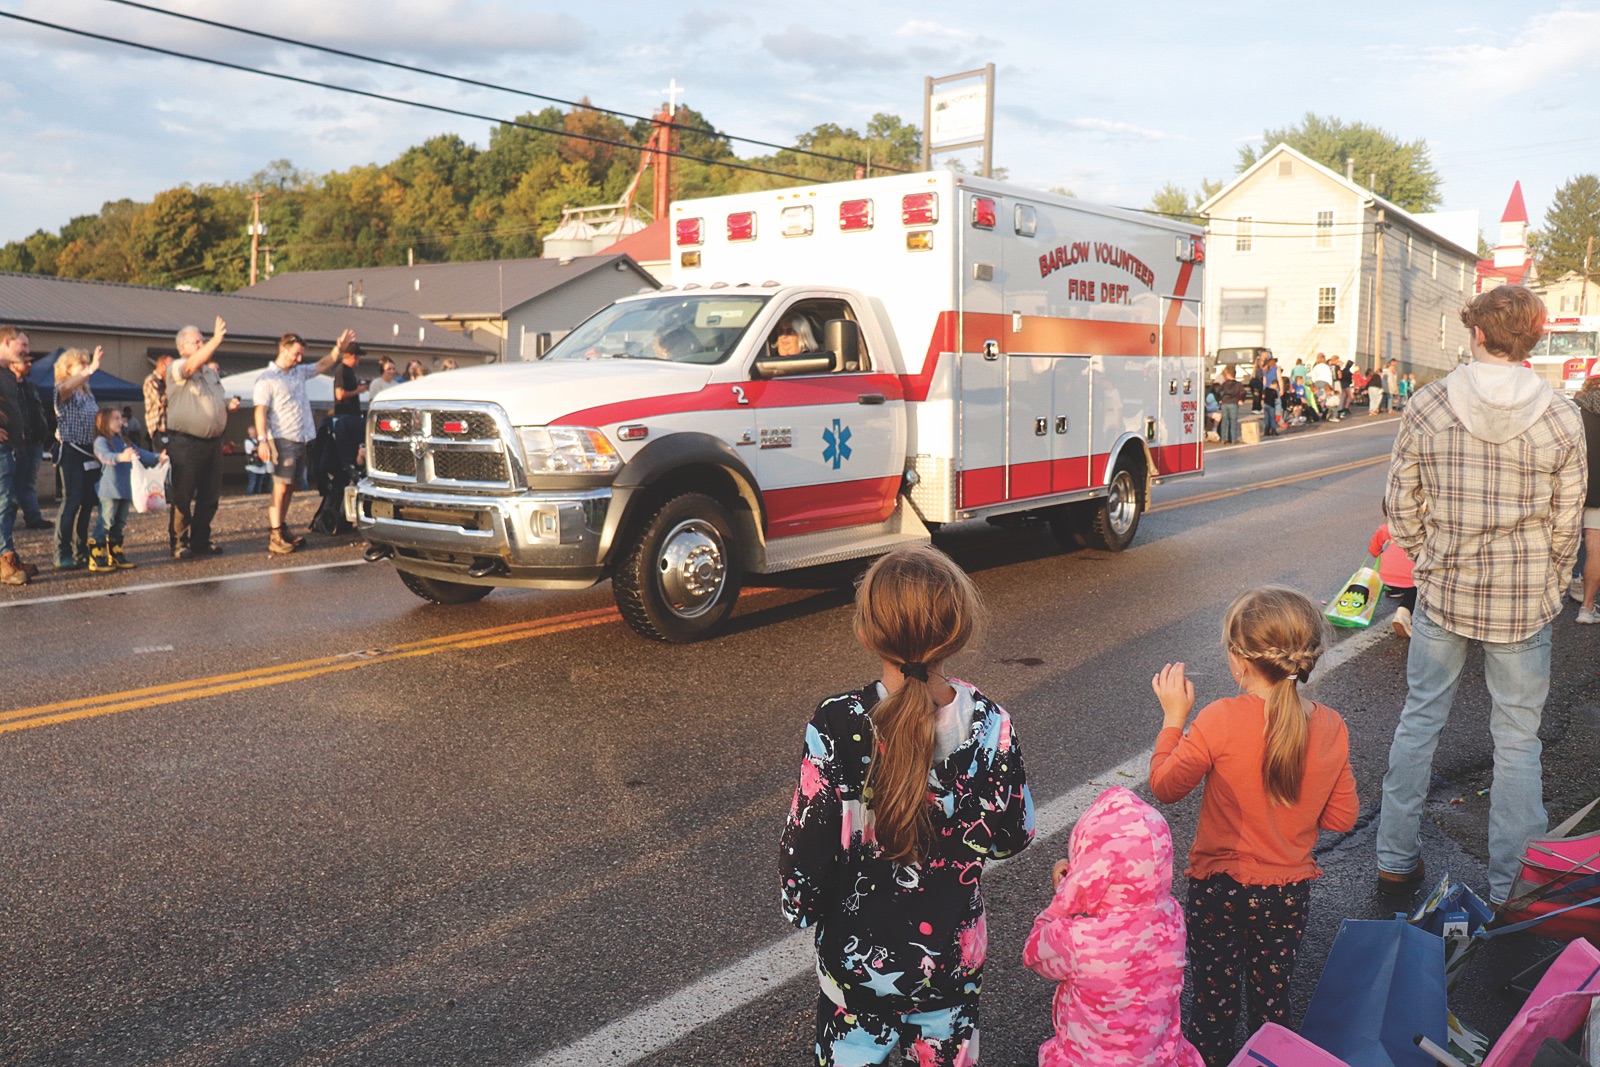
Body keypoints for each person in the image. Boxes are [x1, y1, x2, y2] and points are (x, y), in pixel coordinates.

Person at [779, 544, 1034, 1066]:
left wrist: (800, 907)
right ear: (957, 630)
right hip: (950, 964)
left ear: (866, 631)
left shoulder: (837, 723)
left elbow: (809, 848)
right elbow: (1012, 836)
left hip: (856, 968)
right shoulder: (992, 724)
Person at [1377, 285, 1585, 908]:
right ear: (1533, 339)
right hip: (1523, 599)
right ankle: (1511, 887)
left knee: (1420, 721)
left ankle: (1394, 861)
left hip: (1445, 590)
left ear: (1476, 333)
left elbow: (1400, 503)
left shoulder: (1428, 402)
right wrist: (1550, 583)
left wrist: (1428, 557)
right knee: (1518, 740)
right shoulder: (1561, 415)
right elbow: (1567, 523)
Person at [1149, 587, 1357, 1067]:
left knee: (1213, 1003)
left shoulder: (1220, 719)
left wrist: (1173, 719)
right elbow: (1342, 817)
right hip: (1286, 893)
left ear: (1239, 661)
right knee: (1272, 1001)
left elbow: (1165, 785)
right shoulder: (1331, 725)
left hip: (1218, 889)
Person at [1023, 786, 1203, 1067]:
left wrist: (1065, 900)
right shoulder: (1173, 918)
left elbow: (1033, 951)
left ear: (1090, 872)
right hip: (1158, 1058)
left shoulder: (1078, 940)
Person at [254, 329, 354, 554]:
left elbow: (322, 364)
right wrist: (262, 440)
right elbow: (260, 411)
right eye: (296, 354)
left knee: (290, 486)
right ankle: (275, 534)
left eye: (301, 355)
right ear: (283, 349)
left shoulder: (298, 373)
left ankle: (282, 527)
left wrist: (338, 349)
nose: (299, 359)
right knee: (280, 486)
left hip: (301, 438)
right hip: (282, 438)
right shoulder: (268, 379)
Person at [166, 318, 239, 559]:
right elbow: (189, 368)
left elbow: (214, 399)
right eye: (196, 342)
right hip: (186, 442)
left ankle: (201, 540)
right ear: (182, 348)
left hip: (213, 442)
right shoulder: (177, 367)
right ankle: (179, 542)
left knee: (210, 496)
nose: (202, 345)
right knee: (183, 494)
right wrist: (216, 340)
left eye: (203, 341)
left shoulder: (210, 373)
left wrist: (227, 405)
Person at [89, 407, 162, 572]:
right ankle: (96, 556)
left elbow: (141, 454)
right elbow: (104, 456)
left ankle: (115, 554)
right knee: (106, 522)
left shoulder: (124, 441)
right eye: (115, 418)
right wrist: (121, 457)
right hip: (109, 490)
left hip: (125, 489)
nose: (120, 421)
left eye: (120, 418)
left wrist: (158, 458)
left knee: (119, 523)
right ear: (104, 421)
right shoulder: (101, 441)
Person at [53, 347, 103, 571]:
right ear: (68, 369)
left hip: (89, 452)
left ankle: (80, 549)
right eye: (81, 364)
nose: (86, 368)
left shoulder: (88, 394)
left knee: (87, 502)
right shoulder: (63, 390)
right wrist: (90, 369)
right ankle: (61, 553)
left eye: (86, 363)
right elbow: (65, 389)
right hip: (72, 451)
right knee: (71, 501)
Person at [0, 326, 33, 584]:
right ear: (6, 342)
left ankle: (8, 553)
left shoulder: (8, 374)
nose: (26, 351)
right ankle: (5, 559)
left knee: (9, 502)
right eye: (23, 345)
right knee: (3, 501)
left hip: (11, 446)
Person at [1369, 505, 1417, 637]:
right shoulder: (1419, 529)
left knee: (1400, 577)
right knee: (1415, 592)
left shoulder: (1384, 528)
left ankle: (1395, 590)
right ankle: (1403, 614)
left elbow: (1374, 551)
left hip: (1386, 577)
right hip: (1410, 577)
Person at [1574, 376, 1600, 625]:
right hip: (1598, 492)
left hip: (1570, 485)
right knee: (1595, 547)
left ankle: (1545, 604)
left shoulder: (1573, 409)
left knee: (1559, 540)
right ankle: (1587, 607)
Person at [330, 341, 367, 474]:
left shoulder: (350, 371)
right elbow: (339, 394)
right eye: (357, 357)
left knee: (356, 446)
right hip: (345, 417)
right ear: (351, 356)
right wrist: (358, 390)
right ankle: (348, 470)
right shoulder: (342, 370)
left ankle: (357, 467)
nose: (358, 360)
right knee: (347, 450)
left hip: (353, 416)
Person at [143, 351, 172, 450]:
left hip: (172, 428)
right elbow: (160, 401)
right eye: (170, 366)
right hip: (160, 428)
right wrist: (171, 385)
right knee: (162, 456)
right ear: (163, 366)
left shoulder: (166, 382)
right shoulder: (151, 380)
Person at [1216, 366, 1244, 444]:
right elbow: (1243, 392)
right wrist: (1241, 400)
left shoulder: (1225, 384)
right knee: (1233, 421)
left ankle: (1223, 439)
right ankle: (1233, 439)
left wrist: (1220, 399)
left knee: (1224, 421)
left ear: (1228, 375)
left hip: (1225, 403)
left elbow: (1217, 390)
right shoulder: (1238, 384)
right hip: (1234, 403)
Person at [243, 426, 270, 494]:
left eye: (253, 432)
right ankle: (250, 495)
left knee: (260, 483)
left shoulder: (260, 441)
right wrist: (262, 447)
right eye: (250, 433)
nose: (251, 434)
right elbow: (252, 449)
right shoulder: (247, 441)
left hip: (261, 465)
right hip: (252, 466)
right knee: (253, 482)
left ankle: (258, 494)